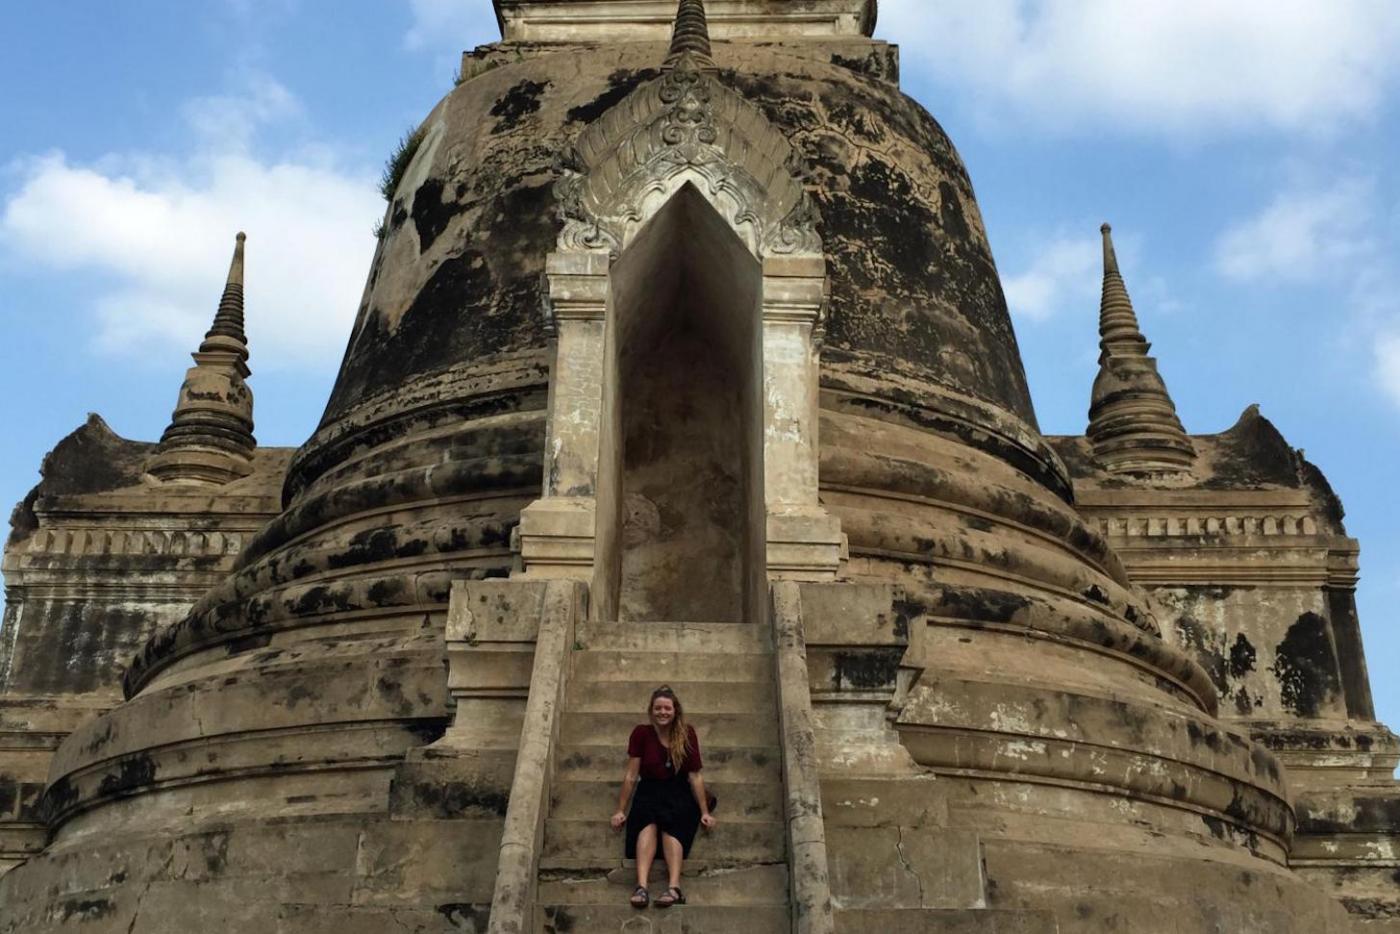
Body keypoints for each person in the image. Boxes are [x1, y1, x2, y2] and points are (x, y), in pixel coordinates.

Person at [610, 684, 716, 909]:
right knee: (646, 822)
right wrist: (620, 809)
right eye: (658, 708)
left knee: (672, 824)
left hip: (678, 790)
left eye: (667, 708)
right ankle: (641, 886)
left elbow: (695, 776)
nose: (662, 712)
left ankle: (674, 887)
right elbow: (631, 775)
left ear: (675, 710)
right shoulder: (641, 733)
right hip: (649, 789)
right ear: (651, 710)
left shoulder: (687, 734)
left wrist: (705, 811)